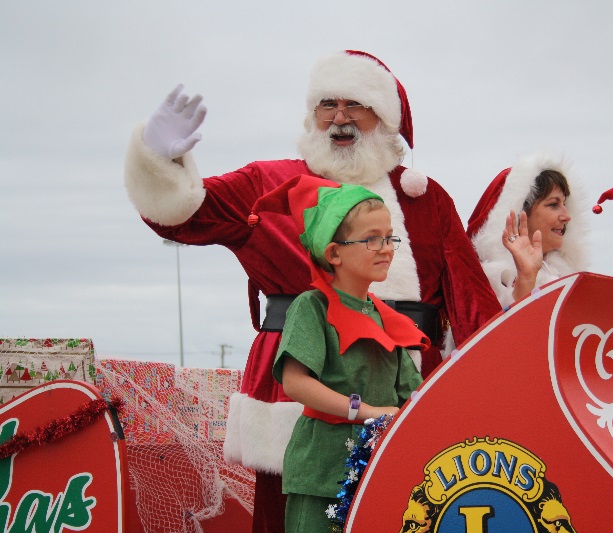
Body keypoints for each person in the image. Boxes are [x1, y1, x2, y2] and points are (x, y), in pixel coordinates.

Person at [123, 50, 501, 532]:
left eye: (354, 105)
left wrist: (491, 386)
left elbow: (474, 306)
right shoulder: (270, 182)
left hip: (405, 386)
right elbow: (186, 215)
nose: (339, 118)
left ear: (384, 118)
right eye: (327, 104)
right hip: (295, 398)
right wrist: (159, 159)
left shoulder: (425, 200)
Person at [246, 174, 426, 532]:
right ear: (334, 253)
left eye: (389, 238)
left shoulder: (386, 317)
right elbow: (296, 383)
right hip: (321, 470)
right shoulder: (311, 307)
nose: (387, 248)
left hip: (377, 470)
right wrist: (367, 412)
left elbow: (413, 397)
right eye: (372, 239)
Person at [466, 154, 590, 307]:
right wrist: (526, 278)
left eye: (564, 203)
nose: (567, 216)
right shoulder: (489, 283)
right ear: (520, 214)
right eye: (553, 205)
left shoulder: (574, 280)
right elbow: (507, 329)